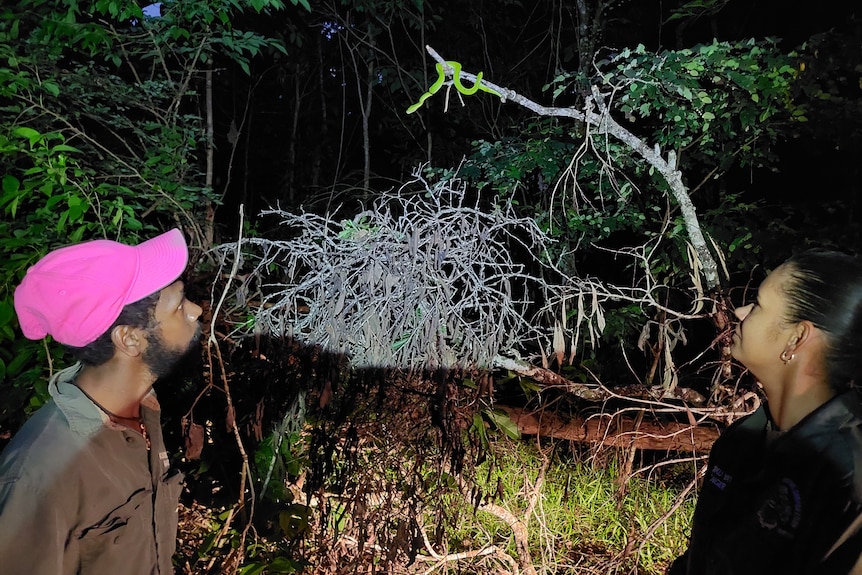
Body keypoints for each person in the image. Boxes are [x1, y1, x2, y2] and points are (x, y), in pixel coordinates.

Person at [0, 229, 202, 574]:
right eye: (179, 305)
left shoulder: (142, 411)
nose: (196, 310)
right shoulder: (38, 476)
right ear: (130, 339)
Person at [669, 249, 862, 574]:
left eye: (757, 304)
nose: (741, 311)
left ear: (796, 338)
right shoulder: (740, 441)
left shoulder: (849, 475)